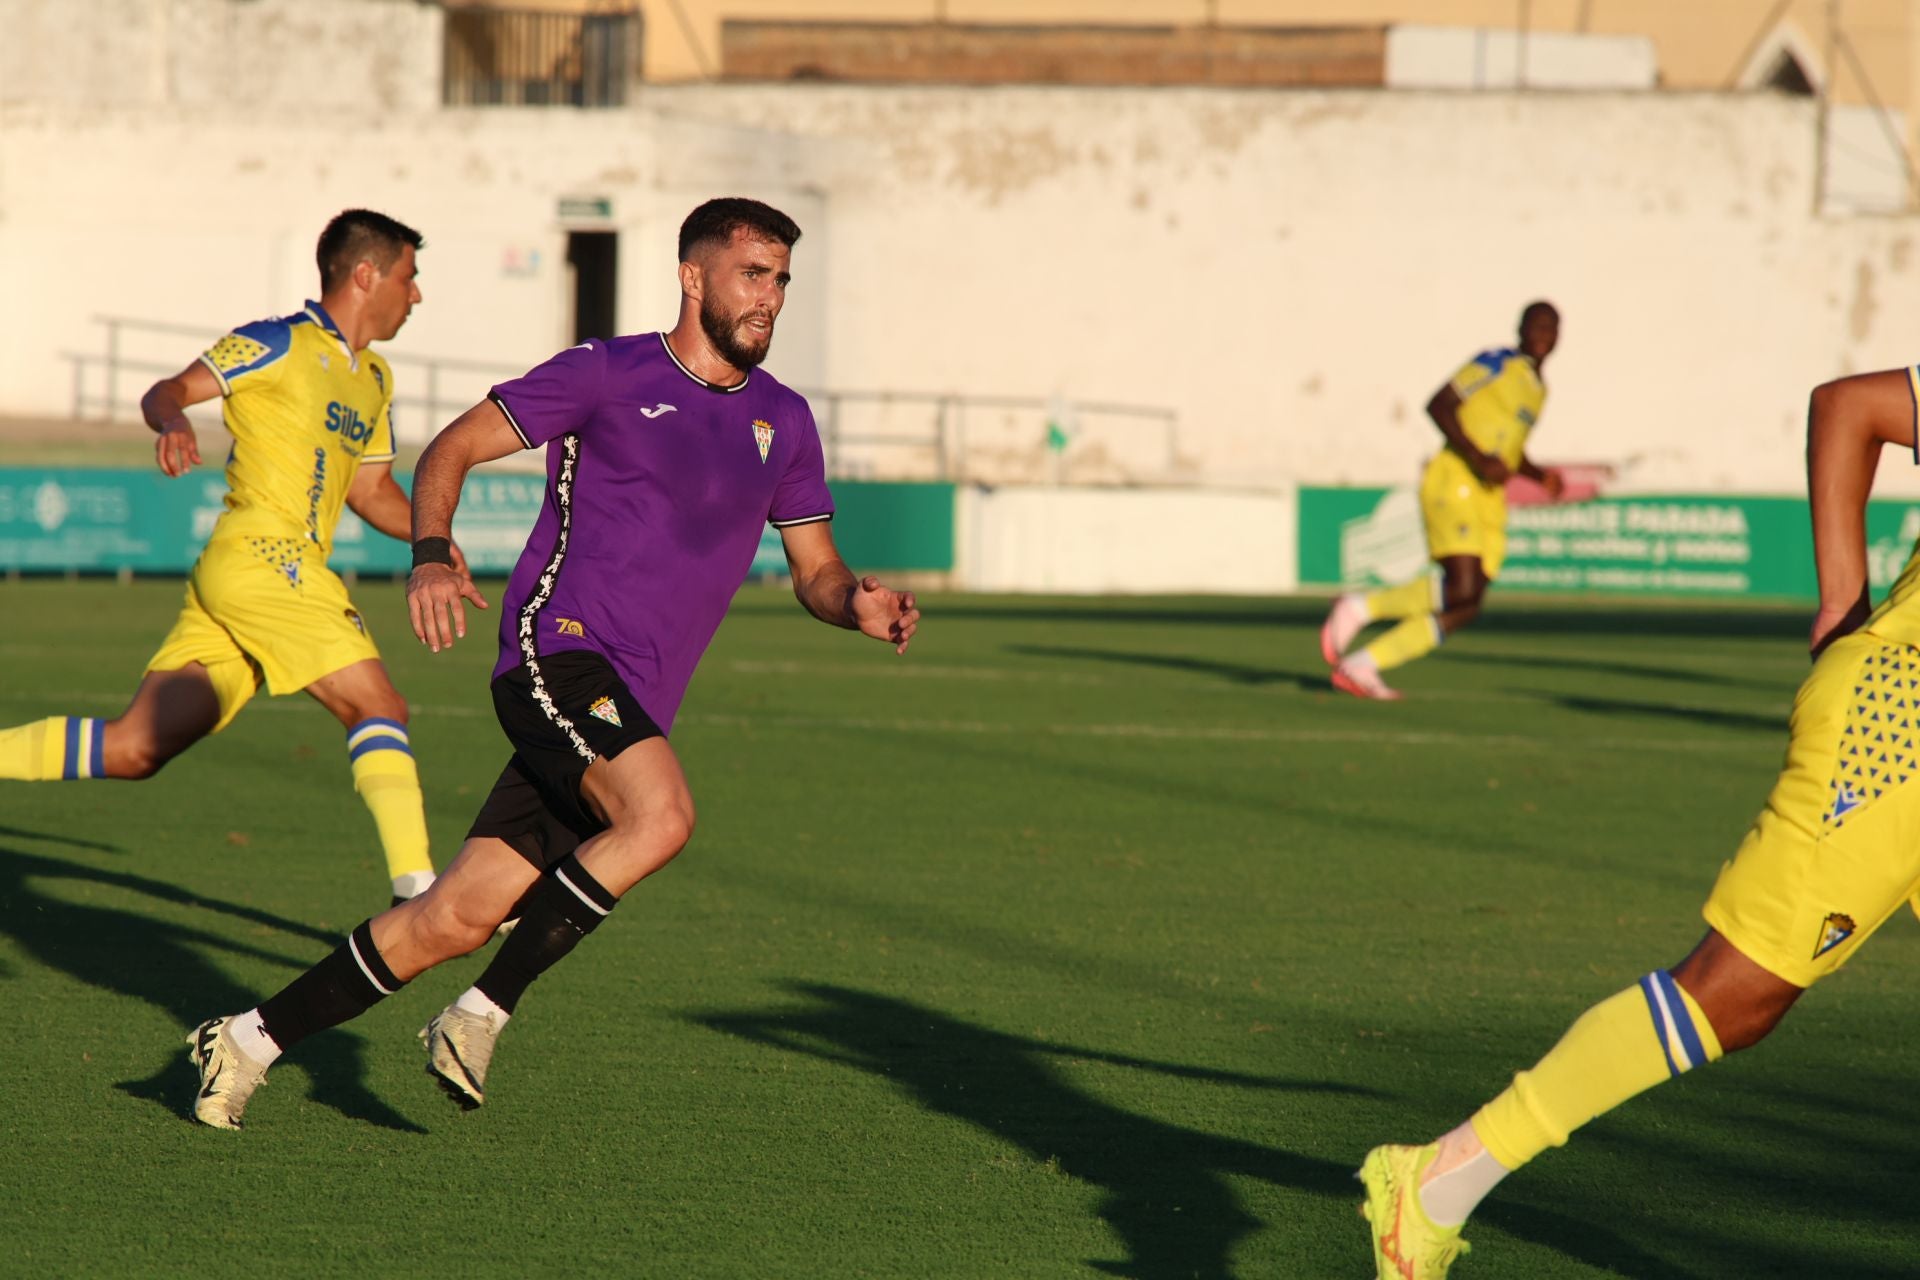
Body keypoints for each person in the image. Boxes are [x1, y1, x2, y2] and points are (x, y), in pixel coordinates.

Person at [183, 196, 922, 1131]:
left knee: (449, 919)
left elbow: (816, 569)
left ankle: (247, 1040)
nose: (769, 296)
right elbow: (453, 445)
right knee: (662, 817)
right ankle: (480, 1016)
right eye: (751, 274)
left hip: (633, 702)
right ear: (693, 277)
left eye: (780, 279)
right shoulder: (606, 373)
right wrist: (431, 550)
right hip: (557, 651)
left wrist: (854, 603)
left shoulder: (785, 419)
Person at [1355, 365, 1920, 1277]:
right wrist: (1842, 602)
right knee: (1734, 994)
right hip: (1900, 729)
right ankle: (1438, 1180)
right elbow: (1849, 407)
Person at [0, 209, 475, 905]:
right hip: (264, 557)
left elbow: (372, 491)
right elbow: (168, 389)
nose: (418, 293)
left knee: (134, 748)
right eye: (411, 276)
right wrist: (172, 420)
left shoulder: (374, 379)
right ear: (367, 274)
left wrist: (436, 545)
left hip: (251, 579)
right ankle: (420, 893)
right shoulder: (278, 342)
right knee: (379, 704)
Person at [1321, 302, 1563, 700]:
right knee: (1462, 586)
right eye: (1536, 325)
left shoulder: (1539, 391)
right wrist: (1476, 457)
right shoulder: (1496, 362)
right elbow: (1440, 404)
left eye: (1550, 328)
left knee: (1467, 605)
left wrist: (1539, 476)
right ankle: (1361, 606)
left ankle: (1363, 665)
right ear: (1519, 328)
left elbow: (1509, 452)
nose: (1542, 334)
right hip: (1454, 478)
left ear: (1558, 338)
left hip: (1488, 496)